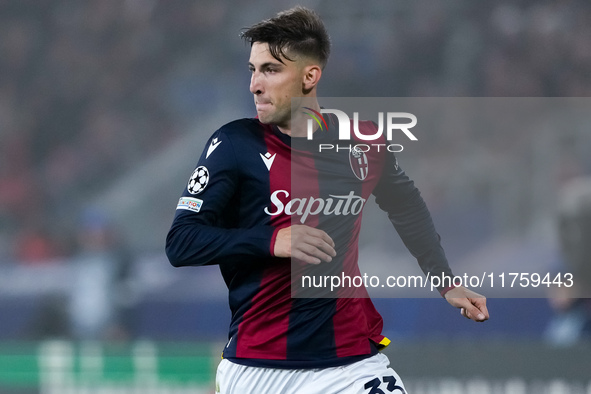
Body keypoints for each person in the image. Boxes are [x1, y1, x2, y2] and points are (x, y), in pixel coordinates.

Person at [166, 6, 489, 394]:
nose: (254, 84)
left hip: (350, 365)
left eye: (270, 70)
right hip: (258, 369)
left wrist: (445, 280)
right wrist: (272, 241)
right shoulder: (233, 144)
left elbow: (406, 206)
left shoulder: (363, 141)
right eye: (253, 69)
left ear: (310, 76)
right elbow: (181, 242)